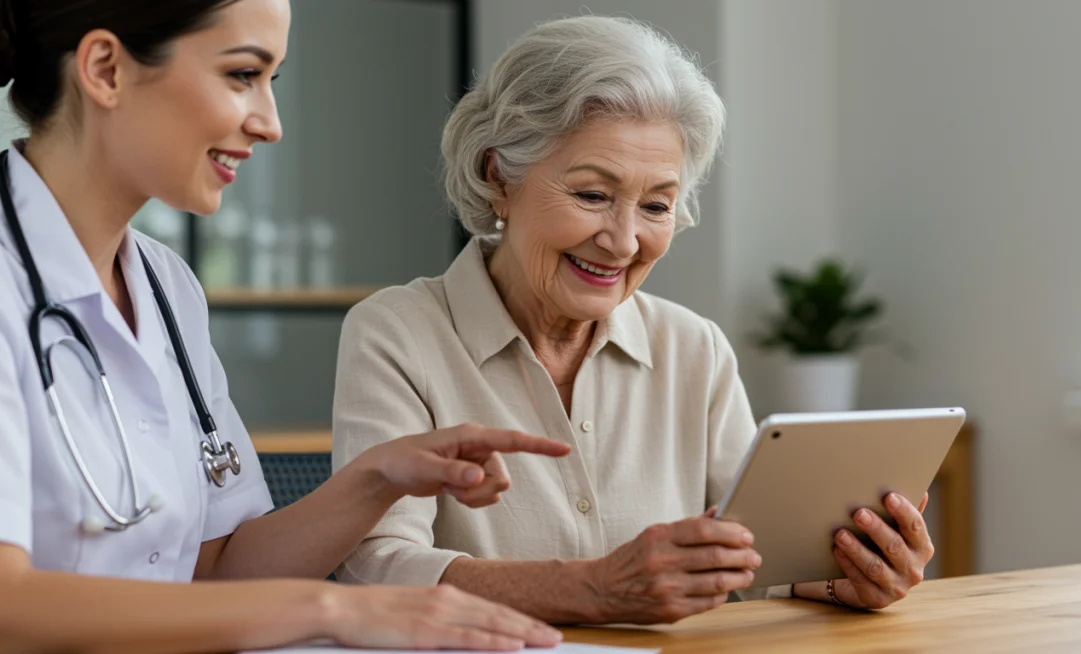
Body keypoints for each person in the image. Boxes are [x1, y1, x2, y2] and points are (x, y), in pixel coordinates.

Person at [0, 1, 571, 651]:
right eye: (243, 75)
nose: (270, 124)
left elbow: (216, 574)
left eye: (274, 82)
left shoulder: (165, 286)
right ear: (106, 70)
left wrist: (376, 478)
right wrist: (330, 608)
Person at [332, 14, 935, 626]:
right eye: (593, 195)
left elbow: (757, 560)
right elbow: (376, 566)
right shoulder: (397, 333)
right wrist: (591, 588)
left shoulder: (693, 347)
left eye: (656, 206)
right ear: (498, 176)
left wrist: (847, 578)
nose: (623, 243)